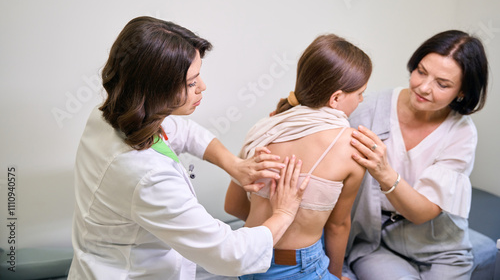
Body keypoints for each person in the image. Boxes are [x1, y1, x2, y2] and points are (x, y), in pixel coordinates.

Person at [68, 16, 310, 280]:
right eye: (192, 82)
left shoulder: (111, 115)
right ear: (157, 90)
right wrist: (285, 212)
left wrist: (235, 165)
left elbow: (184, 131)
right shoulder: (146, 176)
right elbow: (229, 256)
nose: (203, 87)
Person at [224, 33, 373, 279]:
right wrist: (335, 275)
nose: (361, 100)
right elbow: (338, 226)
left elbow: (232, 205)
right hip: (300, 268)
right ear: (336, 98)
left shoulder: (266, 127)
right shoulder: (352, 147)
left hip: (249, 261)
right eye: (359, 93)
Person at [345, 30, 489, 279]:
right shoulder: (371, 107)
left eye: (442, 84)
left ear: (461, 92)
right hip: (376, 244)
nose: (423, 87)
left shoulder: (461, 133)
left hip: (441, 249)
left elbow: (422, 213)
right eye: (421, 71)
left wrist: (384, 172)